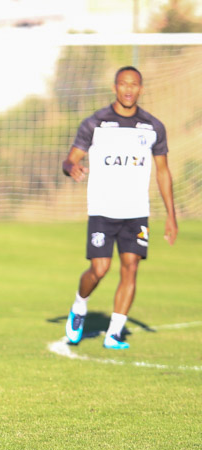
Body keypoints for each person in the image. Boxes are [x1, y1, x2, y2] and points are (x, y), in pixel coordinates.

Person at [62, 66, 178, 349]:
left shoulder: (153, 127)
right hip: (102, 209)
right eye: (123, 84)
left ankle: (114, 333)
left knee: (131, 268)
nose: (128, 89)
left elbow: (163, 171)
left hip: (136, 211)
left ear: (141, 89)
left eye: (134, 84)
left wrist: (171, 217)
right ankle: (79, 307)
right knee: (99, 269)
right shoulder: (96, 123)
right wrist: (71, 168)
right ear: (115, 87)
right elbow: (70, 159)